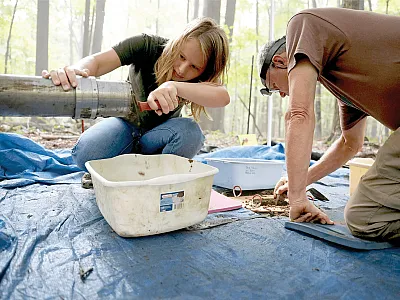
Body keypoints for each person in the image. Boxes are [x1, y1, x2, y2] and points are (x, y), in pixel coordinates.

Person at [258, 7, 400, 243]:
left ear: (280, 60)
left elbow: (299, 114)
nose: (282, 95)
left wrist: (298, 198)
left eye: (274, 87)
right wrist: (301, 180)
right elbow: (349, 144)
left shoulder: (303, 24)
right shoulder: (346, 80)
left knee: (366, 217)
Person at [43, 17, 229, 173]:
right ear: (177, 42)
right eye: (181, 57)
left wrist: (175, 86)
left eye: (194, 67)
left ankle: (155, 179)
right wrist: (76, 71)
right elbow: (97, 62)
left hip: (159, 137)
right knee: (85, 153)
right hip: (124, 125)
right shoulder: (146, 45)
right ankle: (128, 166)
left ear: (204, 71)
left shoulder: (199, 80)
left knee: (191, 133)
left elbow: (222, 96)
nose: (182, 69)